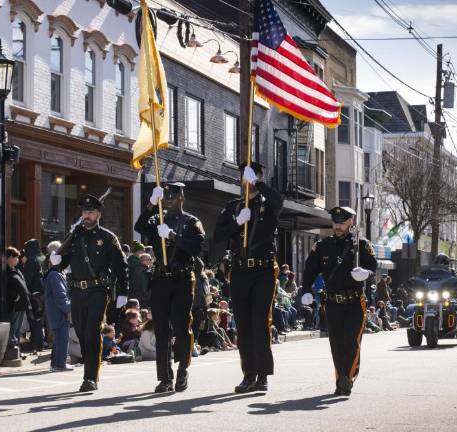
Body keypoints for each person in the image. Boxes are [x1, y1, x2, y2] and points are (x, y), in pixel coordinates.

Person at [214, 161, 283, 393]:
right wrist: (237, 222)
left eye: (250, 175)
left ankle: (262, 374)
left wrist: (259, 184)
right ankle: (248, 374)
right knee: (243, 324)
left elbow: (278, 201)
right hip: (240, 270)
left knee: (260, 321)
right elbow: (217, 236)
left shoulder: (267, 204)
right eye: (243, 176)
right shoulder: (233, 206)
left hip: (263, 270)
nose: (245, 180)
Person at [51, 194, 129, 392]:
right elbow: (66, 262)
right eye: (84, 212)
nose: (87, 215)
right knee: (80, 332)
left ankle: (90, 377)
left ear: (98, 214)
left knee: (92, 331)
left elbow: (121, 267)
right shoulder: (75, 237)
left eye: (91, 212)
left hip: (97, 290)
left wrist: (122, 292)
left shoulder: (107, 238)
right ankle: (90, 364)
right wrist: (56, 261)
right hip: (76, 291)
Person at [135, 182, 204, 393]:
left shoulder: (191, 222)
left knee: (182, 328)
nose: (169, 199)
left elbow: (197, 247)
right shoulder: (157, 220)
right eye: (166, 197)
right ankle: (165, 378)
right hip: (161, 279)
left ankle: (183, 368)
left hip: (182, 279)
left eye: (173, 196)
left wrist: (173, 236)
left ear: (182, 197)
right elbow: (139, 227)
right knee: (162, 330)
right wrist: (150, 204)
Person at [302, 207, 378, 396]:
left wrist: (366, 274)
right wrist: (305, 290)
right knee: (336, 344)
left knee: (351, 341)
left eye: (342, 223)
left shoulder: (361, 245)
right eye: (335, 222)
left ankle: (347, 378)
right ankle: (341, 378)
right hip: (332, 301)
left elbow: (373, 268)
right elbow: (310, 270)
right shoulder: (323, 246)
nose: (337, 226)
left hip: (354, 302)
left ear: (351, 222)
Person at [43, 241, 72, 371]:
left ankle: (56, 363)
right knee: (62, 337)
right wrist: (69, 308)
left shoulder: (55, 273)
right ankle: (60, 364)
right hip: (58, 311)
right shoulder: (55, 275)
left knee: (59, 338)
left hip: (56, 311)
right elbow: (61, 297)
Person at [5, 247, 30, 348]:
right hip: (14, 305)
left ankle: (17, 347)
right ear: (10, 257)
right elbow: (4, 287)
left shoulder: (16, 269)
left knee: (18, 329)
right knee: (13, 328)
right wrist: (15, 296)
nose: (18, 259)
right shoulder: (5, 271)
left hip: (22, 305)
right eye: (16, 257)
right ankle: (12, 347)